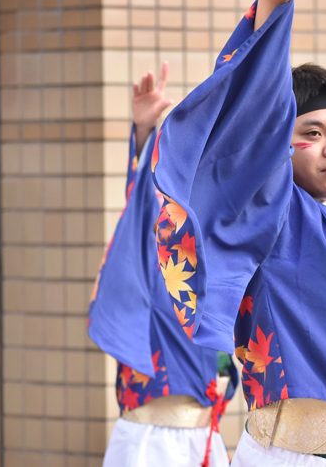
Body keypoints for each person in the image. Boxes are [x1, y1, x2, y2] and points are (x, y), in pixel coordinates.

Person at [151, 0, 326, 466]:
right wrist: (274, 14)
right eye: (312, 134)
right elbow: (256, 113)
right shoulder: (271, 212)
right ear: (279, 146)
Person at [88, 62, 238, 467]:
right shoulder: (156, 239)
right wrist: (143, 136)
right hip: (150, 440)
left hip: (208, 438)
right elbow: (140, 212)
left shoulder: (224, 244)